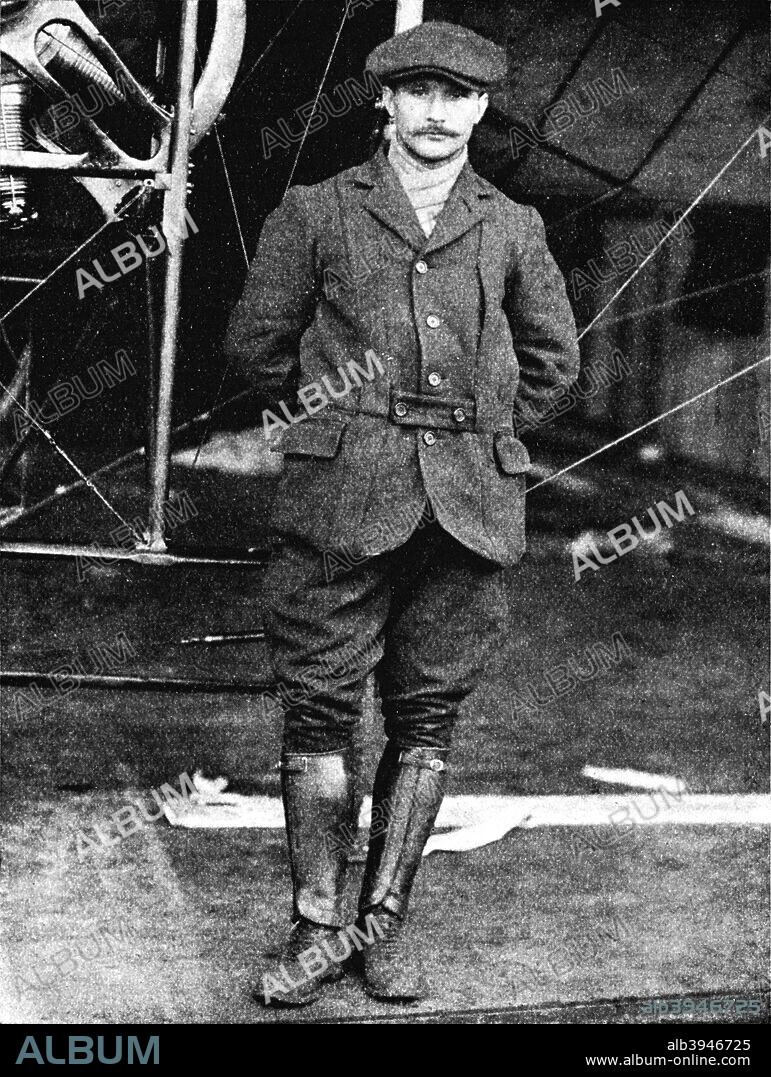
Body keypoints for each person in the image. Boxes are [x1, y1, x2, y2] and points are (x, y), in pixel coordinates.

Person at [223, 19, 580, 1006]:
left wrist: (476, 436)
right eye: (417, 89)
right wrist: (336, 424)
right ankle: (317, 921)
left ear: (481, 108)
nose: (437, 111)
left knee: (428, 718)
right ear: (383, 100)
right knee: (321, 713)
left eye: (458, 95)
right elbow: (254, 349)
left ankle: (381, 926)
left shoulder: (512, 227)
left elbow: (556, 364)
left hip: (467, 513)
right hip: (339, 504)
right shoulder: (317, 212)